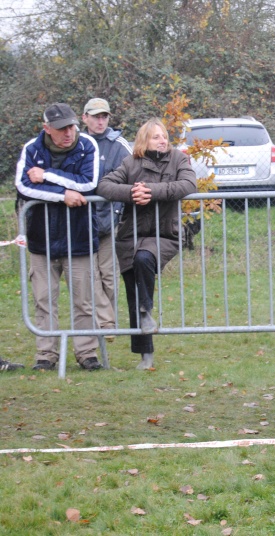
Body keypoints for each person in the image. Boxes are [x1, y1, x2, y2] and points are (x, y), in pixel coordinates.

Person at [97, 118, 197, 370]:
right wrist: (132, 192)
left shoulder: (178, 159)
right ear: (144, 140)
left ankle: (146, 309)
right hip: (129, 237)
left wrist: (151, 191)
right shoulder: (130, 162)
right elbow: (105, 185)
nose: (162, 140)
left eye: (164, 136)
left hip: (163, 235)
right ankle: (145, 355)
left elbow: (188, 184)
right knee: (133, 291)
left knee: (144, 258)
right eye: (156, 137)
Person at [15, 103, 102, 371]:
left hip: (79, 236)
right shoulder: (31, 148)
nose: (68, 132)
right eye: (61, 128)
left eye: (71, 125)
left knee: (84, 299)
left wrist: (48, 175)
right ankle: (46, 354)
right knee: (43, 299)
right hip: (42, 237)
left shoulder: (87, 145)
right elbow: (23, 186)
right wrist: (63, 195)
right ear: (47, 129)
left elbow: (89, 182)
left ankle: (87, 353)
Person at [82, 98, 132, 337]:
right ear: (85, 118)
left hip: (110, 222)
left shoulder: (119, 145)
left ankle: (107, 324)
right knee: (89, 275)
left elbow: (133, 175)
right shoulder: (78, 143)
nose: (100, 121)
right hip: (81, 223)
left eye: (104, 116)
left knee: (109, 276)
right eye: (95, 116)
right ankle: (106, 322)